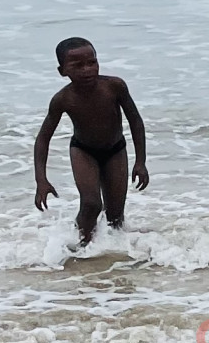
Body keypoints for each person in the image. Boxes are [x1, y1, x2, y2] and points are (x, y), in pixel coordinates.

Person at [32, 39, 149, 246]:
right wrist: (41, 180)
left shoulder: (114, 86)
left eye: (92, 63)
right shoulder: (63, 99)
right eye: (77, 66)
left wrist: (140, 162)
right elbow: (43, 139)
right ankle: (82, 246)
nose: (87, 70)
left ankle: (112, 254)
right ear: (62, 71)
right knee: (91, 203)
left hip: (115, 150)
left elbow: (136, 122)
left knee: (115, 215)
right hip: (83, 151)